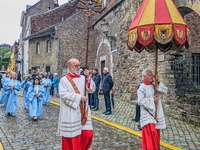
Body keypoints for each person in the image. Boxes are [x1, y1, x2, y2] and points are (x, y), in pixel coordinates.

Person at [58, 58, 96, 150]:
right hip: (70, 113)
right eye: (76, 66)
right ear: (69, 67)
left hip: (83, 112)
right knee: (72, 138)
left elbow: (91, 89)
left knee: (87, 134)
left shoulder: (83, 78)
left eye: (79, 65)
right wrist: (79, 98)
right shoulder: (64, 80)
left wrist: (88, 77)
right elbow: (63, 95)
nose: (78, 68)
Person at [138, 69, 168, 150]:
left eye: (152, 75)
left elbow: (165, 91)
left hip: (156, 114)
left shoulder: (154, 85)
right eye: (149, 75)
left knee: (156, 135)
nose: (151, 77)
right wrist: (152, 100)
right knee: (150, 135)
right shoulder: (142, 87)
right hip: (147, 114)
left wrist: (158, 82)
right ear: (144, 76)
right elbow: (140, 101)